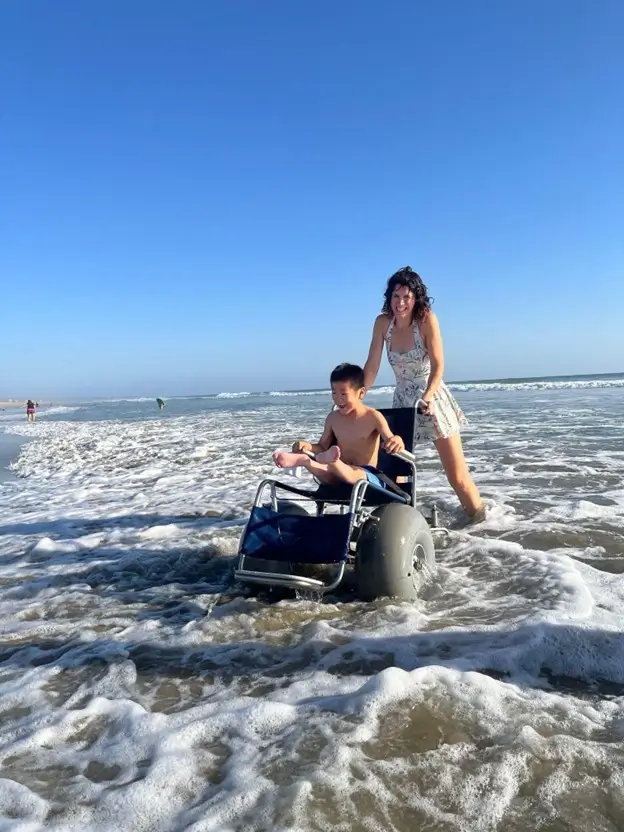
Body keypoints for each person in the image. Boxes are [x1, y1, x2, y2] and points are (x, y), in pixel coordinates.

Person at [363, 266, 485, 521]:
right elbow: (372, 364)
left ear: (416, 297)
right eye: (396, 297)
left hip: (431, 400)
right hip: (403, 403)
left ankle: (480, 523)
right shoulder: (383, 323)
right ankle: (399, 525)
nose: (401, 303)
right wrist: (358, 394)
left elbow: (439, 365)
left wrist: (428, 395)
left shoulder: (426, 319)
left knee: (457, 476)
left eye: (406, 297)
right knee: (396, 470)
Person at [273, 363, 405, 488]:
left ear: (361, 393)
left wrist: (397, 440)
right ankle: (304, 461)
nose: (338, 399)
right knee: (327, 473)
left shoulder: (373, 417)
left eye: (343, 394)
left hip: (365, 474)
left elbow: (390, 439)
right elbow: (322, 446)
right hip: (338, 472)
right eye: (334, 393)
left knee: (354, 474)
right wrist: (307, 446)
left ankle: (332, 462)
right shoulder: (333, 418)